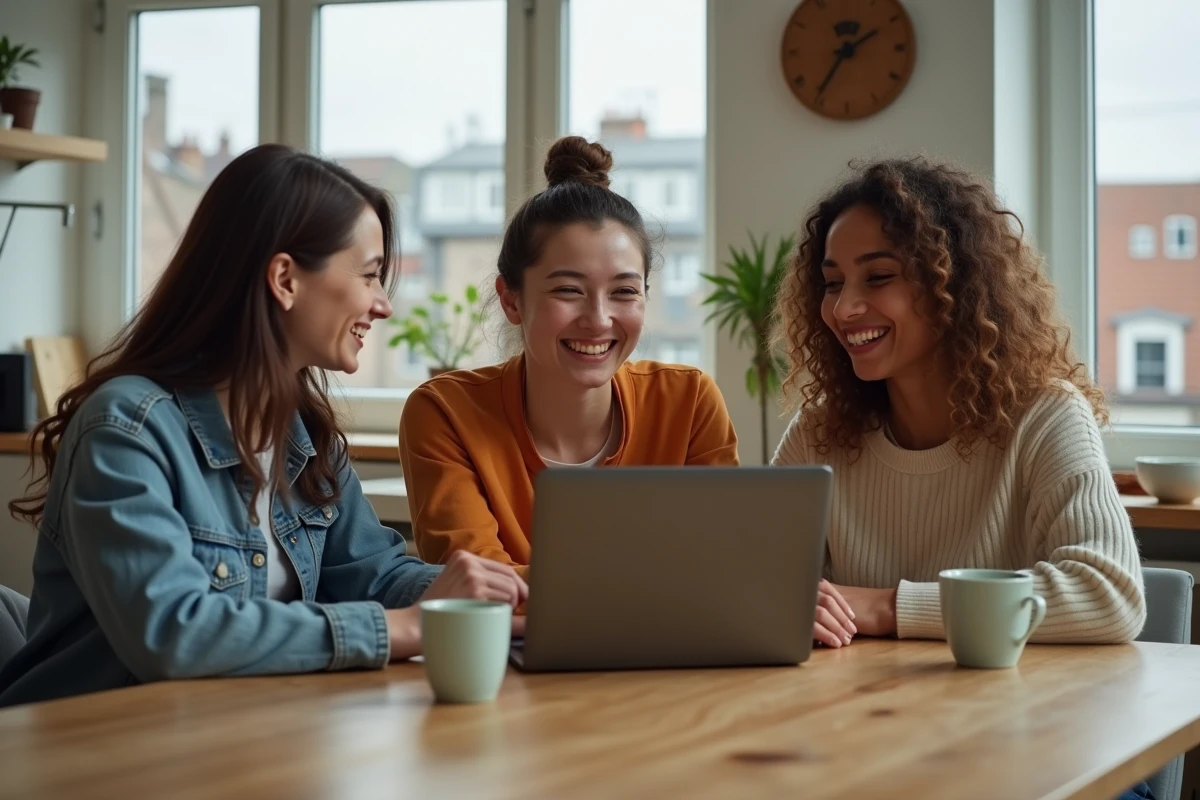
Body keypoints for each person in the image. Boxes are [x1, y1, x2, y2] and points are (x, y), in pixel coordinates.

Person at [0, 144, 525, 708]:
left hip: (228, 739)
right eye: (371, 276)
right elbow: (173, 633)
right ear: (285, 279)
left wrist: (497, 597)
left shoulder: (305, 437)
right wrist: (406, 628)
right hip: (84, 755)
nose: (383, 305)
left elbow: (372, 575)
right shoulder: (127, 429)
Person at [771, 157, 1146, 651]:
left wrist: (887, 607)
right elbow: (751, 586)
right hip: (854, 714)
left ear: (956, 285)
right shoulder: (818, 432)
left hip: (1010, 719)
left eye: (879, 277)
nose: (843, 309)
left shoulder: (1046, 416)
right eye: (834, 283)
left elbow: (1110, 596)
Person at [399, 136, 739, 578]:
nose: (598, 320)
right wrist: (663, 583)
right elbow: (480, 592)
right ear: (512, 300)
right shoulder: (445, 414)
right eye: (568, 290)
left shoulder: (689, 401)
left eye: (624, 292)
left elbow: (724, 567)